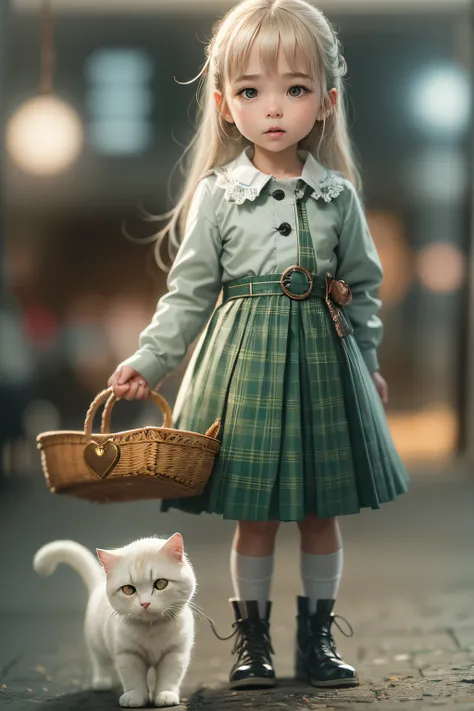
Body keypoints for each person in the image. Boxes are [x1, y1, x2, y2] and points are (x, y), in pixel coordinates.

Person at [108, 0, 409, 691]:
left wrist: (367, 363)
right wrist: (149, 360)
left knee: (319, 511)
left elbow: (362, 286)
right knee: (257, 517)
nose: (273, 108)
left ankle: (316, 638)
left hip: (325, 366)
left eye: (295, 89)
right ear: (223, 103)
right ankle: (252, 645)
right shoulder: (220, 196)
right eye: (251, 90)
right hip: (241, 364)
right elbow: (188, 293)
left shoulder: (338, 197)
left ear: (326, 101)